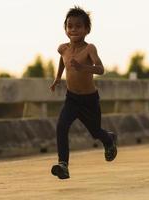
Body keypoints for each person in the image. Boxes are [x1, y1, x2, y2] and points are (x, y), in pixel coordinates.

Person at [49, 6, 117, 180]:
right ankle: (63, 164)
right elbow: (63, 61)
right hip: (72, 98)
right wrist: (58, 77)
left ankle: (108, 139)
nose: (74, 30)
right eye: (70, 26)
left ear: (87, 29)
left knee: (95, 132)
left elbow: (101, 69)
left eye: (78, 26)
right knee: (61, 126)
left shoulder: (89, 49)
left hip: (89, 100)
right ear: (65, 29)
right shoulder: (63, 48)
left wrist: (83, 67)